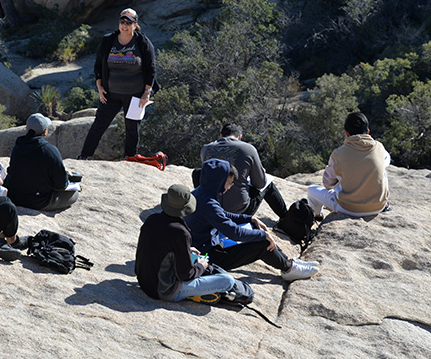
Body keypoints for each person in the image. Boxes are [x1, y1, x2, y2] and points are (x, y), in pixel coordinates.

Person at [185, 159, 318, 282]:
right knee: (262, 244)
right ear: (219, 181)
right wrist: (264, 235)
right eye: (229, 182)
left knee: (254, 227)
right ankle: (288, 269)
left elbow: (223, 214)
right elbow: (234, 232)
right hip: (207, 256)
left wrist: (251, 219)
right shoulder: (208, 203)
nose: (230, 187)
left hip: (208, 244)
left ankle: (287, 260)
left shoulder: (201, 193)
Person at [135, 183, 239, 302]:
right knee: (228, 281)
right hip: (165, 291)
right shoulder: (181, 232)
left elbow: (157, 246)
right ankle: (190, 294)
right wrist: (201, 265)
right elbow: (185, 274)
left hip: (144, 282)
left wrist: (187, 249)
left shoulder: (152, 219)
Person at [78, 8, 158, 160]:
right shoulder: (109, 40)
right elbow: (98, 65)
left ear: (135, 24)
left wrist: (146, 93)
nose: (125, 25)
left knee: (132, 129)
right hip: (110, 93)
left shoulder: (143, 43)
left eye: (129, 22)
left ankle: (130, 157)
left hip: (135, 95)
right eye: (122, 21)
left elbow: (151, 70)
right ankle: (84, 156)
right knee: (98, 126)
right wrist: (100, 87)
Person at [306, 112, 390, 218]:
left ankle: (317, 216)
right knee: (383, 171)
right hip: (378, 206)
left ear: (346, 133)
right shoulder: (380, 147)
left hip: (348, 208)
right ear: (368, 131)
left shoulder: (338, 154)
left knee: (311, 190)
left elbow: (328, 184)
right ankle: (385, 203)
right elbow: (386, 163)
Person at [197, 123, 288, 219]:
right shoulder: (248, 149)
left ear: (221, 135)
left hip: (211, 205)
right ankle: (285, 218)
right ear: (239, 137)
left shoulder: (205, 149)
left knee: (198, 173)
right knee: (268, 183)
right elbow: (260, 184)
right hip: (240, 210)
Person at [4, 113, 79, 212]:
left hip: (15, 198)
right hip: (38, 201)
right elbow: (61, 185)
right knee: (75, 194)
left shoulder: (17, 147)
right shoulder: (50, 151)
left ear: (27, 128)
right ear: (45, 131)